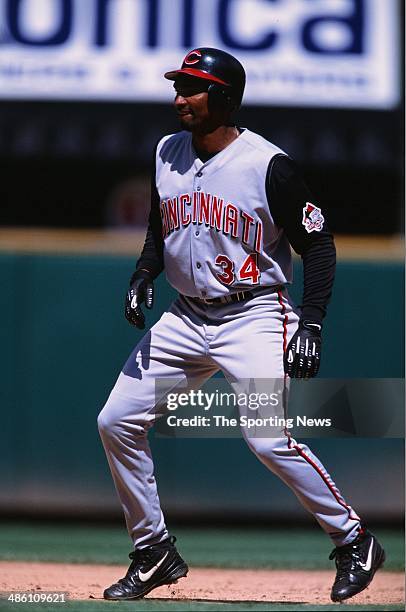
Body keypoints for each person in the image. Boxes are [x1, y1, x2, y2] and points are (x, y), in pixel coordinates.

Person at [97, 47, 385, 603]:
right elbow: (162, 225)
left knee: (268, 438)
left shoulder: (268, 165)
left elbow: (318, 246)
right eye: (178, 86)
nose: (180, 97)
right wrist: (143, 272)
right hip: (185, 316)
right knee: (116, 421)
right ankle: (153, 549)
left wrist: (314, 323)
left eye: (193, 88)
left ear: (225, 98)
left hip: (252, 314)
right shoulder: (167, 150)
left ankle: (354, 539)